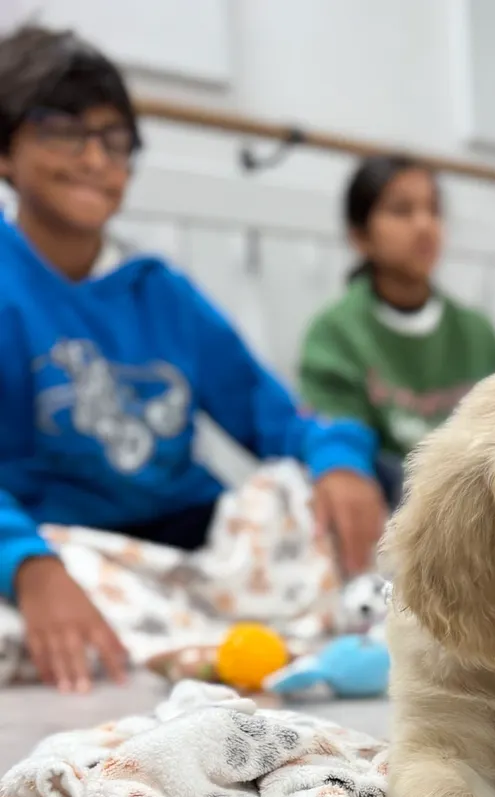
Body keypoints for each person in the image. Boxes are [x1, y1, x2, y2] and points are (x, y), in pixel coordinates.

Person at [0, 25, 387, 693]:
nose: (95, 157)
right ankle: (183, 634)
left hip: (192, 547)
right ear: (6, 150)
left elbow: (281, 420)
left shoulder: (164, 294)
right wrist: (25, 563)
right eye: (63, 130)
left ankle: (335, 629)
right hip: (62, 551)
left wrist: (339, 460)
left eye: (115, 140)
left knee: (310, 493)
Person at [299, 156, 495, 483]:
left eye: (434, 210)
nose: (424, 225)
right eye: (402, 210)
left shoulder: (476, 331)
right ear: (360, 237)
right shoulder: (334, 334)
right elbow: (341, 446)